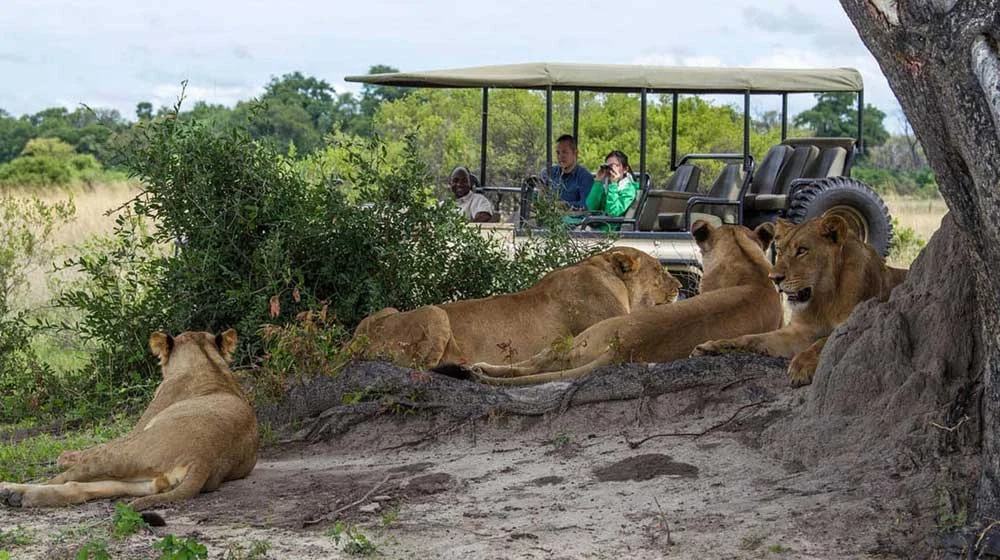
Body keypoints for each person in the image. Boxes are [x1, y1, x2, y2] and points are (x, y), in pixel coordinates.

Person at [583, 150, 639, 230]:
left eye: (614, 166)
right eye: (608, 167)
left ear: (625, 169)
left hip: (612, 232)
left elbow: (613, 213)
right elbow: (590, 207)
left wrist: (613, 184)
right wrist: (598, 183)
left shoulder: (629, 190)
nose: (610, 170)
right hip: (598, 227)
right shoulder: (605, 187)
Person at [547, 134, 594, 210]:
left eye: (564, 152)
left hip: (574, 220)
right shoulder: (551, 172)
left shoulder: (585, 177)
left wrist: (566, 205)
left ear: (575, 153)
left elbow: (586, 205)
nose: (560, 156)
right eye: (558, 153)